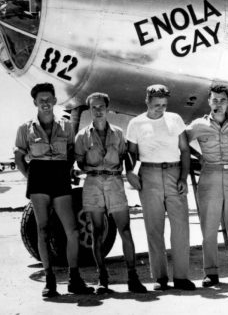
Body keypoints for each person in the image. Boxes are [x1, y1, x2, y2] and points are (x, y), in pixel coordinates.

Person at [14, 83, 93, 298]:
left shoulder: (66, 127)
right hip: (38, 177)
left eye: (49, 99)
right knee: (43, 230)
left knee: (72, 230)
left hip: (59, 176)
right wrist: (30, 178)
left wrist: (66, 172)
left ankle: (74, 278)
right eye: (41, 100)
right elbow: (19, 157)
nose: (45, 103)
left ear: (55, 101)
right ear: (35, 102)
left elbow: (70, 153)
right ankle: (50, 281)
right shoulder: (25, 128)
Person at [74, 92, 147, 293]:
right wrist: (95, 170)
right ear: (90, 110)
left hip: (115, 182)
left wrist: (130, 173)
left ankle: (133, 277)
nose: (97, 111)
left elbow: (125, 157)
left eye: (101, 107)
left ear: (107, 108)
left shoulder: (119, 133)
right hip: (93, 183)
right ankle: (103, 280)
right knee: (97, 232)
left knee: (125, 230)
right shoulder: (82, 136)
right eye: (93, 107)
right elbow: (80, 161)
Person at [126, 84, 195, 291]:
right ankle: (160, 277)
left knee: (181, 227)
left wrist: (183, 177)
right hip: (149, 175)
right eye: (156, 105)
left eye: (164, 105)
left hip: (174, 174)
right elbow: (131, 154)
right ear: (147, 101)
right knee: (154, 228)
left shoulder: (175, 119)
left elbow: (184, 151)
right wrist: (130, 174)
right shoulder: (136, 123)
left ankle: (181, 277)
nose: (160, 109)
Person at [186, 84, 228, 287]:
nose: (218, 104)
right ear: (208, 101)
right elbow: (181, 141)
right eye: (214, 100)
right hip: (210, 175)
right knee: (209, 226)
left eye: (222, 100)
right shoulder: (198, 125)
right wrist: (197, 156)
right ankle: (211, 273)